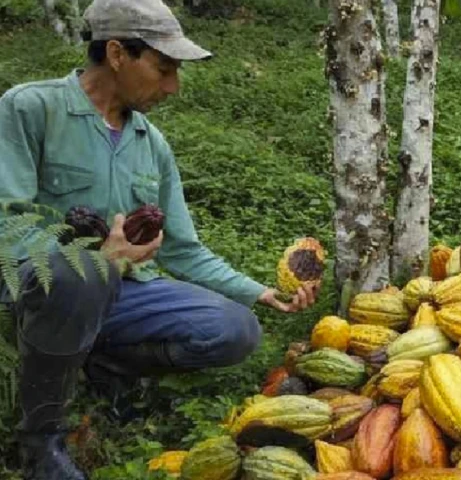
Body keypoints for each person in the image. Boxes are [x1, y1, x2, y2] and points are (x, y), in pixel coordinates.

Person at [0, 0, 320, 478]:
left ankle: (105, 363)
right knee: (81, 275)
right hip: (41, 286)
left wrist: (260, 293)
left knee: (235, 329)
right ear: (116, 53)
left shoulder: (151, 144)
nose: (173, 87)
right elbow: (9, 220)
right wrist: (96, 258)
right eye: (163, 69)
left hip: (122, 291)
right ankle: (41, 439)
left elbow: (183, 249)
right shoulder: (30, 108)